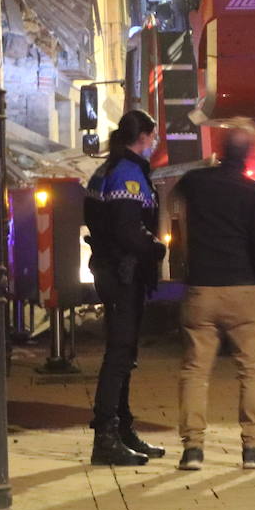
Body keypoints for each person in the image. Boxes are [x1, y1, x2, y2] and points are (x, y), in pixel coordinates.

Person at [172, 120, 255, 472]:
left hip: (202, 290)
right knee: (253, 370)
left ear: (221, 148)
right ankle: (253, 448)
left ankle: (192, 449)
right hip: (243, 291)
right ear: (250, 153)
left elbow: (175, 198)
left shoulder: (195, 182)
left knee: (195, 370)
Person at [84, 110, 167, 466]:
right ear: (144, 137)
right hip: (122, 273)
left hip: (112, 271)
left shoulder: (108, 169)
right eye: (153, 136)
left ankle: (122, 429)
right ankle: (106, 436)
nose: (155, 143)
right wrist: (157, 248)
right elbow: (127, 230)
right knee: (119, 355)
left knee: (124, 354)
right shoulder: (128, 173)